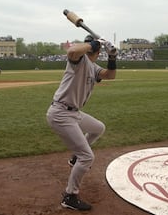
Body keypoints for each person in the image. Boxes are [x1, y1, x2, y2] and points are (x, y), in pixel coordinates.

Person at [46, 35, 117, 211]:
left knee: (99, 128)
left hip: (74, 113)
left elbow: (110, 75)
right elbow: (72, 50)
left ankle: (75, 157)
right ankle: (70, 196)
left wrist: (113, 57)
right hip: (61, 113)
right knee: (88, 157)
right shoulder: (78, 59)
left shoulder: (93, 67)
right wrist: (95, 43)